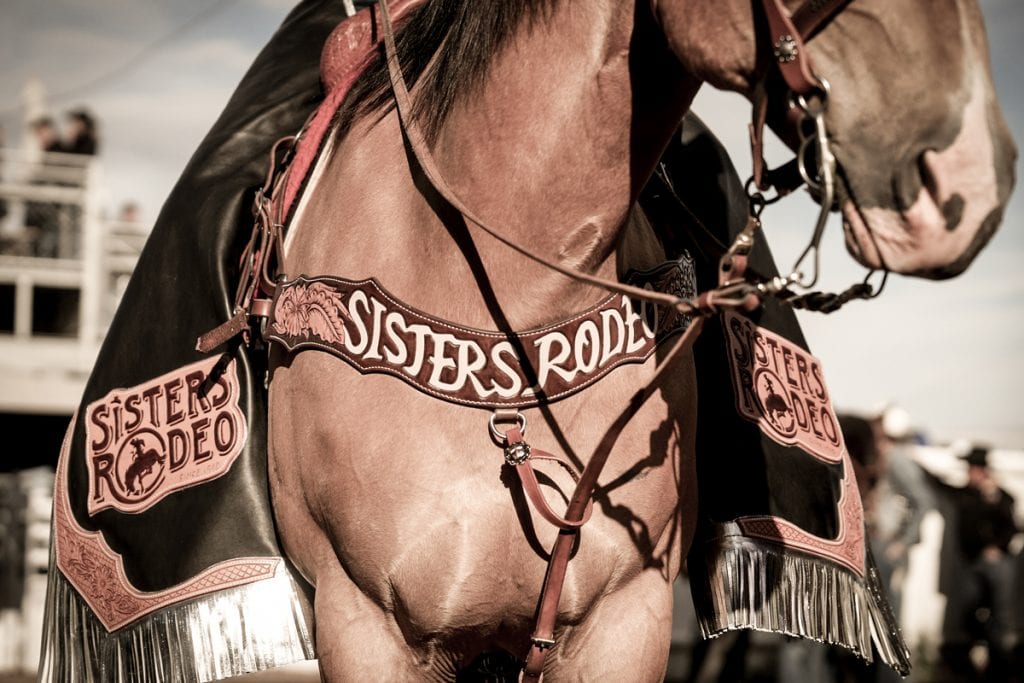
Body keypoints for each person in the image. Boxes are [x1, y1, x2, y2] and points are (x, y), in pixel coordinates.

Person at [938, 445, 1019, 682]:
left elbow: (1010, 526)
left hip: (992, 563)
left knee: (1002, 609)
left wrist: (993, 499)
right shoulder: (964, 495)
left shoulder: (999, 496)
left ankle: (1003, 653)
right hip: (969, 565)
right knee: (966, 609)